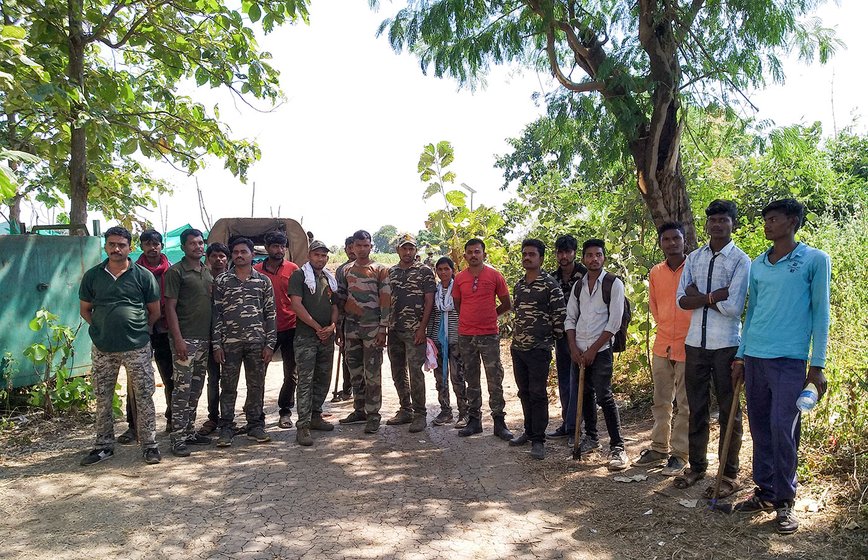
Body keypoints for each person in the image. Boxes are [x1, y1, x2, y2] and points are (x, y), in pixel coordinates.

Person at [731, 199, 831, 535]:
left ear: (791, 221)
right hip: (756, 356)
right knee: (760, 428)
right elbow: (752, 312)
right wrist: (742, 356)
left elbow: (821, 313)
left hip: (789, 360)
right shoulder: (758, 265)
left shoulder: (815, 260)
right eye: (765, 220)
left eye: (773, 219)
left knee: (783, 429)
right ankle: (765, 492)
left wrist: (817, 366)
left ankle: (785, 501)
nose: (767, 225)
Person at [673, 200, 750, 497]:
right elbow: (682, 299)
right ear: (707, 225)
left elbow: (732, 308)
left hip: (727, 345)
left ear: (733, 224)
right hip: (695, 343)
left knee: (730, 409)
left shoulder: (741, 261)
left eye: (723, 220)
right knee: (696, 407)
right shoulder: (694, 258)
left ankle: (729, 473)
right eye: (713, 220)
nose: (717, 224)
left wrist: (699, 296)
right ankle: (696, 466)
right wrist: (711, 296)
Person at [79, 226, 162, 465]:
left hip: (137, 347)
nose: (116, 249)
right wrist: (103, 328)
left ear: (130, 247)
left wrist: (137, 330)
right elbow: (85, 310)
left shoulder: (143, 275)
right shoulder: (93, 276)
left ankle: (149, 444)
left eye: (121, 245)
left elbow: (154, 312)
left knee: (144, 395)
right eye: (112, 244)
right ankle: (103, 446)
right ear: (105, 246)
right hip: (104, 348)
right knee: (103, 397)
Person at [564, 239, 629, 470]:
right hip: (579, 350)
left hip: (600, 350)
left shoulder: (613, 283)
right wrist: (574, 347)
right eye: (589, 255)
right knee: (585, 393)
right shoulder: (578, 286)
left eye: (598, 255)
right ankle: (591, 438)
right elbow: (570, 318)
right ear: (583, 258)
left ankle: (618, 447)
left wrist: (593, 350)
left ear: (604, 258)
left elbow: (614, 322)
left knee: (604, 396)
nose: (594, 259)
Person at [634, 223, 691, 476]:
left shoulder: (694, 267)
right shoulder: (655, 272)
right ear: (660, 243)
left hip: (689, 345)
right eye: (666, 239)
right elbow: (655, 306)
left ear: (684, 240)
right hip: (662, 343)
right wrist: (665, 327)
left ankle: (680, 454)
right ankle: (658, 448)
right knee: (661, 401)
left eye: (675, 238)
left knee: (686, 404)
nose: (671, 243)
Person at [212, 237, 277, 447]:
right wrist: (216, 344)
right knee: (228, 387)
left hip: (256, 343)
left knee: (256, 386)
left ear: (252, 255)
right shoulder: (222, 281)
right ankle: (226, 427)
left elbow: (270, 314)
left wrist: (270, 344)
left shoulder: (263, 281)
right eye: (236, 252)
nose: (239, 255)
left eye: (244, 252)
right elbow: (217, 314)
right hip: (229, 343)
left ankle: (255, 425)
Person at [509, 239, 566, 460]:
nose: (527, 257)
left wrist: (550, 341)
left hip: (539, 349)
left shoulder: (550, 284)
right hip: (518, 348)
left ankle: (539, 440)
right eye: (525, 254)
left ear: (541, 258)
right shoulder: (519, 285)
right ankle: (529, 431)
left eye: (532, 254)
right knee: (523, 392)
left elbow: (559, 316)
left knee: (538, 393)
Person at [453, 238, 513, 440]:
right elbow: (458, 304)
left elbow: (506, 303)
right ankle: (474, 421)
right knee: (471, 377)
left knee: (494, 378)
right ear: (465, 256)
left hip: (489, 334)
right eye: (469, 252)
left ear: (484, 254)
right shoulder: (460, 278)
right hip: (466, 335)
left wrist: (490, 315)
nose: (473, 255)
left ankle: (499, 421)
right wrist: (470, 320)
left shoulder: (495, 275)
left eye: (477, 251)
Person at [118, 229, 174, 443]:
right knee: (135, 381)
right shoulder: (131, 271)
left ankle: (171, 419)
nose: (152, 248)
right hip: (138, 332)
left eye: (156, 243)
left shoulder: (171, 271)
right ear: (140, 246)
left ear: (161, 245)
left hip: (166, 331)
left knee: (170, 377)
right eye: (147, 244)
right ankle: (134, 427)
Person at [163, 228, 214, 457]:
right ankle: (177, 438)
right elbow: (169, 308)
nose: (198, 247)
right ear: (183, 247)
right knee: (181, 390)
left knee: (196, 388)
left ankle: (190, 431)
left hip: (204, 339)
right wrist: (178, 339)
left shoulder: (207, 271)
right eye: (192, 243)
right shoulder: (176, 272)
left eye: (200, 243)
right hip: (185, 340)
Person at [336, 230, 391, 434]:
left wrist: (383, 328)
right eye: (357, 245)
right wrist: (339, 328)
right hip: (351, 329)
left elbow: (386, 299)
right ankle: (359, 409)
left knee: (372, 373)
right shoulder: (345, 270)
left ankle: (373, 414)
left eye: (365, 245)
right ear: (352, 247)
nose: (361, 249)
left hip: (372, 329)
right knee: (355, 372)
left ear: (370, 246)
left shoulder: (380, 269)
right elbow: (341, 300)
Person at [289, 241, 340, 446]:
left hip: (326, 337)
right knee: (305, 381)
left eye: (324, 256)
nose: (321, 258)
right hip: (306, 337)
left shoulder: (328, 278)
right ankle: (302, 426)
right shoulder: (300, 276)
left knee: (323, 379)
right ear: (310, 255)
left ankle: (316, 416)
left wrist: (332, 325)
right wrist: (317, 327)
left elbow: (335, 304)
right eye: (317, 255)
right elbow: (296, 304)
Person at [386, 234, 436, 433]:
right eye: (404, 249)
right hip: (394, 329)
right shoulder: (392, 272)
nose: (408, 252)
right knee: (397, 371)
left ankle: (420, 414)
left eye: (411, 249)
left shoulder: (425, 271)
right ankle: (405, 409)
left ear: (416, 250)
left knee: (415, 372)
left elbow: (429, 301)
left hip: (415, 330)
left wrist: (422, 329)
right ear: (398, 250)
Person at [253, 231, 300, 429]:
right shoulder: (255, 270)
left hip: (290, 326)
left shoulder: (293, 269)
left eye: (282, 246)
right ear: (267, 247)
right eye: (275, 246)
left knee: (291, 373)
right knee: (258, 373)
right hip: (263, 330)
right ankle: (257, 415)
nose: (279, 250)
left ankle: (285, 411)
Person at [546, 234, 587, 439]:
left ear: (574, 253)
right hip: (561, 336)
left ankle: (578, 427)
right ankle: (567, 423)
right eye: (560, 252)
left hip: (584, 337)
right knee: (564, 380)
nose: (563, 256)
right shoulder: (552, 278)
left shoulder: (586, 275)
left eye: (567, 252)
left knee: (580, 382)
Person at [426, 257, 468, 428]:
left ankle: (464, 412)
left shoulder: (458, 290)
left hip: (456, 340)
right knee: (440, 378)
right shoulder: (434, 292)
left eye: (446, 269)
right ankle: (445, 411)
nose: (443, 272)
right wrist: (429, 338)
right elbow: (432, 315)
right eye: (440, 269)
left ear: (452, 271)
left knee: (458, 377)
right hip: (438, 341)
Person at [198, 242, 229, 436]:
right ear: (208, 258)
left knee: (229, 380)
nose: (218, 259)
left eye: (222, 256)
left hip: (231, 338)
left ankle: (228, 418)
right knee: (213, 378)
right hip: (207, 337)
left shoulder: (234, 279)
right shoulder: (202, 278)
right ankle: (213, 417)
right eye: (214, 256)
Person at [332, 236, 357, 402]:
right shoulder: (341, 270)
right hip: (347, 321)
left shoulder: (373, 267)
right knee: (348, 357)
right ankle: (347, 389)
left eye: (353, 246)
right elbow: (339, 299)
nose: (352, 250)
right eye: (348, 247)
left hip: (367, 322)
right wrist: (338, 326)